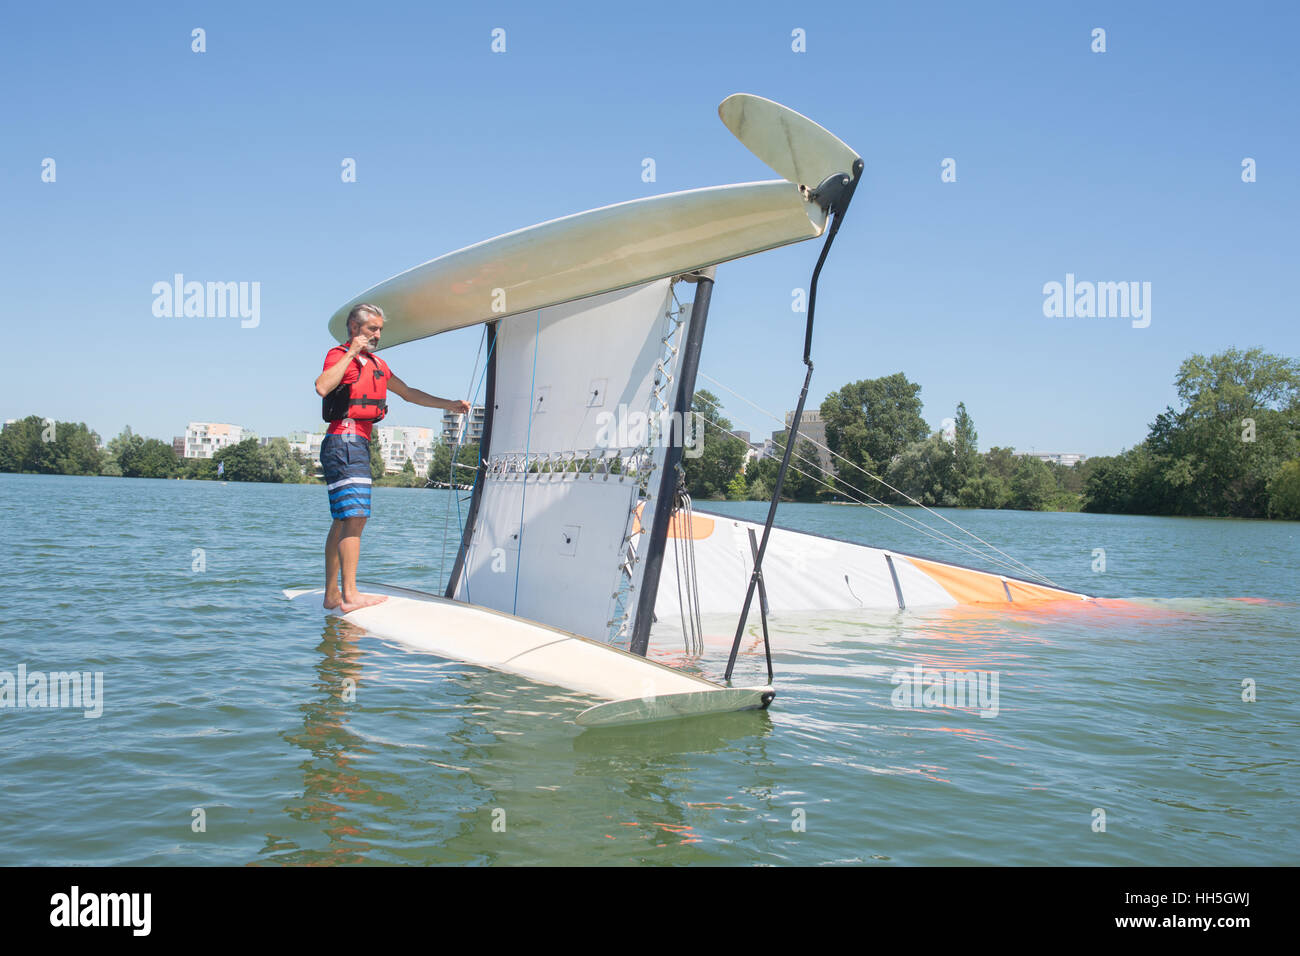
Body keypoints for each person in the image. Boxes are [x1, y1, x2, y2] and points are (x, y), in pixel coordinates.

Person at [314, 303, 471, 612]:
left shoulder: (378, 365)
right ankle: (350, 595)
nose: (378, 334)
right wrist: (350, 352)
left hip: (353, 443)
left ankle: (333, 594)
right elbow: (322, 386)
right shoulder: (339, 355)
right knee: (355, 518)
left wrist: (450, 404)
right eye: (373, 328)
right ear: (354, 328)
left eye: (380, 329)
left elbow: (409, 393)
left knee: (342, 520)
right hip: (344, 442)